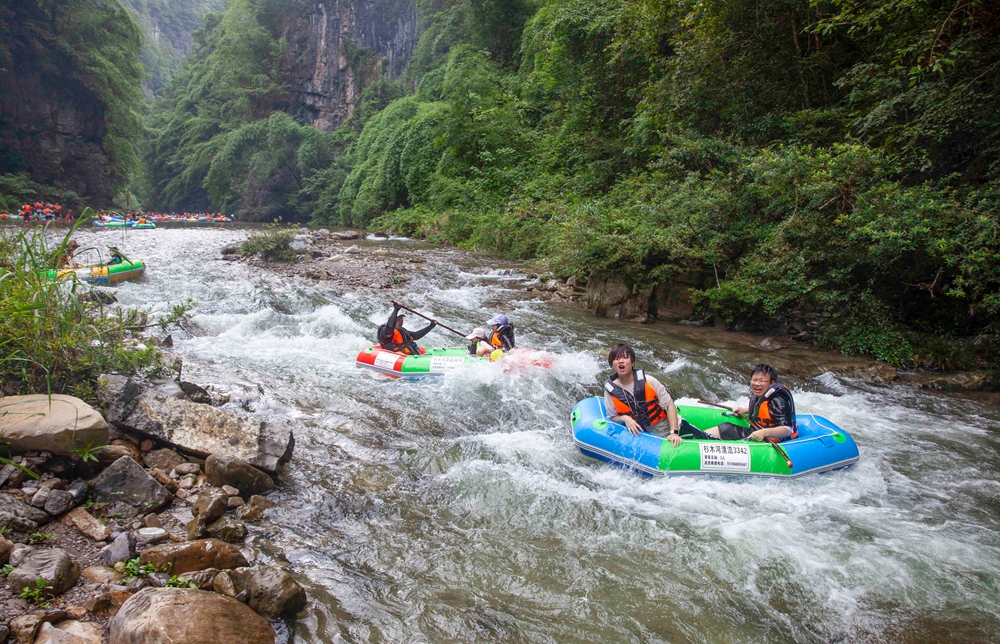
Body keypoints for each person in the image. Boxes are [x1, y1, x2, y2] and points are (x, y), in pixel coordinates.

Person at [603, 344, 684, 447]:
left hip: (671, 429)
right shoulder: (610, 391)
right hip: (647, 437)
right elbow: (612, 417)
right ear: (612, 364)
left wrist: (674, 433)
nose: (620, 361)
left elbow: (669, 405)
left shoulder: (649, 381)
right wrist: (624, 418)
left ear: (632, 363)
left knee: (707, 436)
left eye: (625, 357)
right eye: (616, 359)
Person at [704, 364, 798, 441]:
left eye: (762, 381)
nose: (757, 384)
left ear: (772, 383)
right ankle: (696, 437)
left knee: (728, 430)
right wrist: (745, 410)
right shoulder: (761, 394)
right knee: (726, 427)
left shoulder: (778, 398)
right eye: (754, 380)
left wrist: (764, 432)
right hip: (756, 431)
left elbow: (787, 429)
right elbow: (764, 410)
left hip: (773, 439)